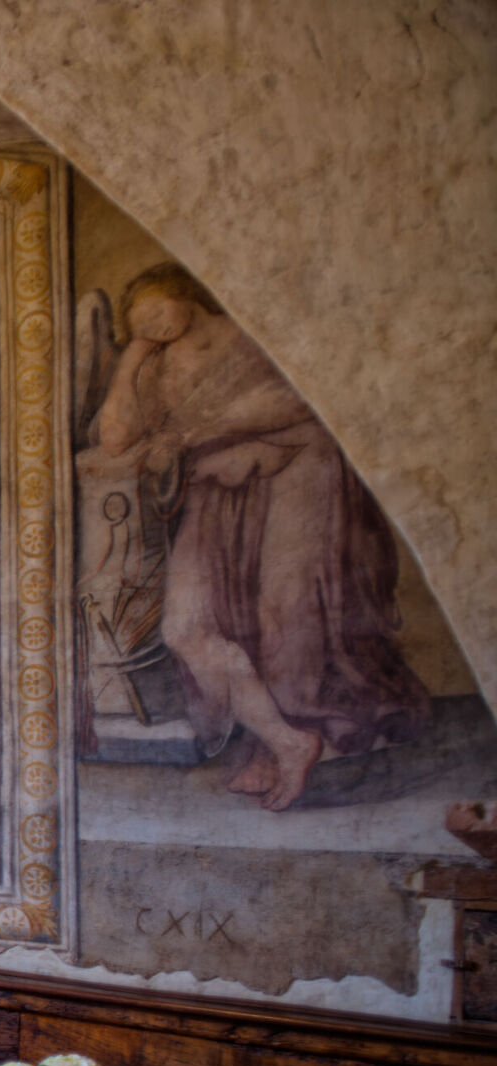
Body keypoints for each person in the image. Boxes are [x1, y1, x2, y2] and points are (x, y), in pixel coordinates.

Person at [91, 263, 428, 811]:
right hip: (214, 493)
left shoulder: (249, 330)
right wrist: (130, 358)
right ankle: (288, 741)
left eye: (155, 310)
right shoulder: (151, 363)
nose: (149, 326)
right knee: (185, 629)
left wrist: (190, 433)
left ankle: (297, 744)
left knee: (285, 617)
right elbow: (114, 438)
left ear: (183, 294)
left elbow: (301, 397)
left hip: (297, 473)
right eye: (137, 324)